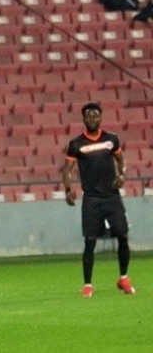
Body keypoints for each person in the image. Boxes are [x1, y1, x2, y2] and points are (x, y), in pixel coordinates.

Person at [62, 102, 134, 298]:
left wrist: (122, 175)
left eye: (95, 115)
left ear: (101, 118)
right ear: (83, 119)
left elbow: (121, 161)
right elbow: (67, 170)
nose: (92, 119)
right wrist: (68, 190)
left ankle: (123, 278)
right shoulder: (76, 144)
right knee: (90, 241)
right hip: (91, 199)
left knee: (123, 235)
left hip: (112, 196)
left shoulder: (111, 139)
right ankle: (88, 285)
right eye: (88, 116)